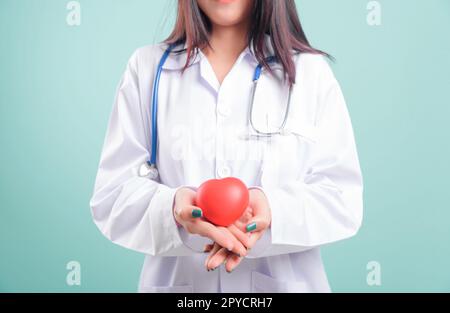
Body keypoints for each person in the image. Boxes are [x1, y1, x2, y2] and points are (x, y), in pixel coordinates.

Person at [90, 0, 363, 293]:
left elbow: (342, 199)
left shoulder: (310, 73)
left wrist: (273, 210)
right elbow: (112, 197)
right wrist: (174, 208)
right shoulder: (147, 69)